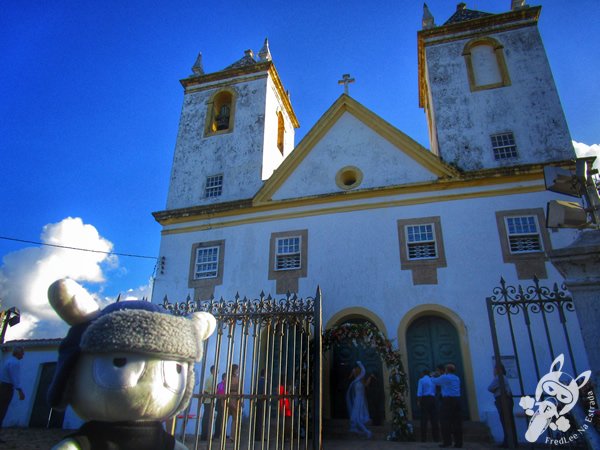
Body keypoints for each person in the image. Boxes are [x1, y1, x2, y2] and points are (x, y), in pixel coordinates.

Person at [432, 363, 463, 448]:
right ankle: (458, 443)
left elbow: (434, 381)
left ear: (447, 370)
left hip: (448, 401)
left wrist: (433, 375)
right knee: (457, 422)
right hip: (457, 400)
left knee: (445, 422)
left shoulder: (445, 377)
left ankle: (447, 442)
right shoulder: (456, 378)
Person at [488, 364, 517, 448]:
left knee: (505, 421)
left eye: (494, 369)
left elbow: (490, 388)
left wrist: (495, 389)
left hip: (502, 400)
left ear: (498, 369)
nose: (493, 371)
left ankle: (508, 442)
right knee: (509, 421)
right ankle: (511, 441)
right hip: (507, 400)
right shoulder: (503, 377)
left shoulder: (499, 378)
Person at [0, 347, 25, 443]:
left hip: (4, 386)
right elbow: (14, 378)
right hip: (7, 388)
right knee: (2, 411)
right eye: (22, 353)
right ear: (18, 354)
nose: (23, 355)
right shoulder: (15, 363)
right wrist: (20, 390)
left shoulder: (9, 361)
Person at [346, 361, 374, 439]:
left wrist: (353, 373)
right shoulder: (362, 376)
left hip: (357, 389)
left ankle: (358, 423)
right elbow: (366, 385)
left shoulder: (355, 374)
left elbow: (349, 377)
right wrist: (370, 377)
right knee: (360, 406)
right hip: (360, 391)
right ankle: (365, 430)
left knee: (357, 405)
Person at [417, 368, 440, 442]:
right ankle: (436, 438)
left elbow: (420, 392)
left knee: (424, 419)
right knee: (434, 419)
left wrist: (418, 401)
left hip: (425, 399)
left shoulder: (421, 380)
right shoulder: (433, 379)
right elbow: (437, 389)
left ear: (423, 373)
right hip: (433, 399)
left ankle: (423, 438)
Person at [200, 365, 215, 441]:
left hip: (208, 401)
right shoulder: (211, 378)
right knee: (207, 419)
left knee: (207, 418)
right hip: (208, 401)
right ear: (212, 370)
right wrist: (203, 400)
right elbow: (206, 391)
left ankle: (205, 435)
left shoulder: (212, 378)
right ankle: (204, 435)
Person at [228, 364, 241, 443]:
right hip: (235, 399)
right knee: (235, 419)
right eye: (237, 369)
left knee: (226, 419)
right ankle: (232, 436)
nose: (238, 370)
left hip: (228, 398)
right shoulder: (236, 379)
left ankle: (221, 434)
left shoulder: (228, 378)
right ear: (234, 370)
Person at [214, 372, 226, 439]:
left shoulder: (222, 384)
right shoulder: (221, 385)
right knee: (219, 419)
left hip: (222, 403)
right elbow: (220, 394)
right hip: (220, 403)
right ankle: (217, 434)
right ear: (224, 378)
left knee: (222, 419)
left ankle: (221, 433)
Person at [255, 369, 266, 441]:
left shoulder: (258, 381)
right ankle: (259, 436)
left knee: (258, 419)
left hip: (258, 401)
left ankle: (257, 436)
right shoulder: (263, 382)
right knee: (261, 420)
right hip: (262, 402)